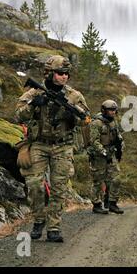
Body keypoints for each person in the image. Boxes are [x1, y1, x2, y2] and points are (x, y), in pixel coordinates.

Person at [15, 55, 90, 243]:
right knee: (34, 185)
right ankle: (39, 220)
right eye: (60, 73)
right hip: (38, 144)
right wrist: (33, 105)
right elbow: (18, 115)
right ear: (49, 73)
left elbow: (86, 121)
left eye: (66, 74)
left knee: (59, 189)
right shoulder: (34, 93)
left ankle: (54, 227)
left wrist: (72, 114)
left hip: (63, 146)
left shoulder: (74, 95)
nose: (64, 77)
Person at [87, 99, 124, 214]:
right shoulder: (96, 123)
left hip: (111, 153)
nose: (112, 112)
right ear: (104, 110)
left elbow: (118, 136)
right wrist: (103, 152)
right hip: (98, 156)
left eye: (114, 110)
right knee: (98, 181)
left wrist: (120, 147)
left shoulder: (113, 122)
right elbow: (94, 141)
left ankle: (112, 203)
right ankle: (97, 204)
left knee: (116, 179)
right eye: (110, 110)